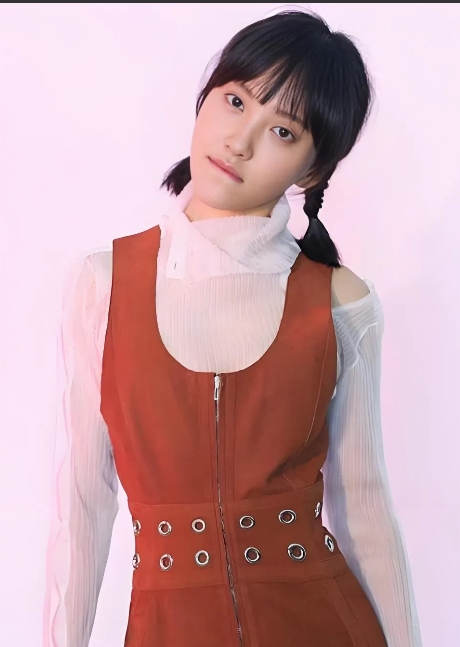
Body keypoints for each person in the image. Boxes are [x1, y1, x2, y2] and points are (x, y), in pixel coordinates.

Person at [43, 8, 422, 647]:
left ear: (312, 170)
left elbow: (364, 508)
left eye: (282, 131)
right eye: (236, 100)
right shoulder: (102, 285)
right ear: (206, 98)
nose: (239, 141)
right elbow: (83, 500)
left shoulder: (341, 303)